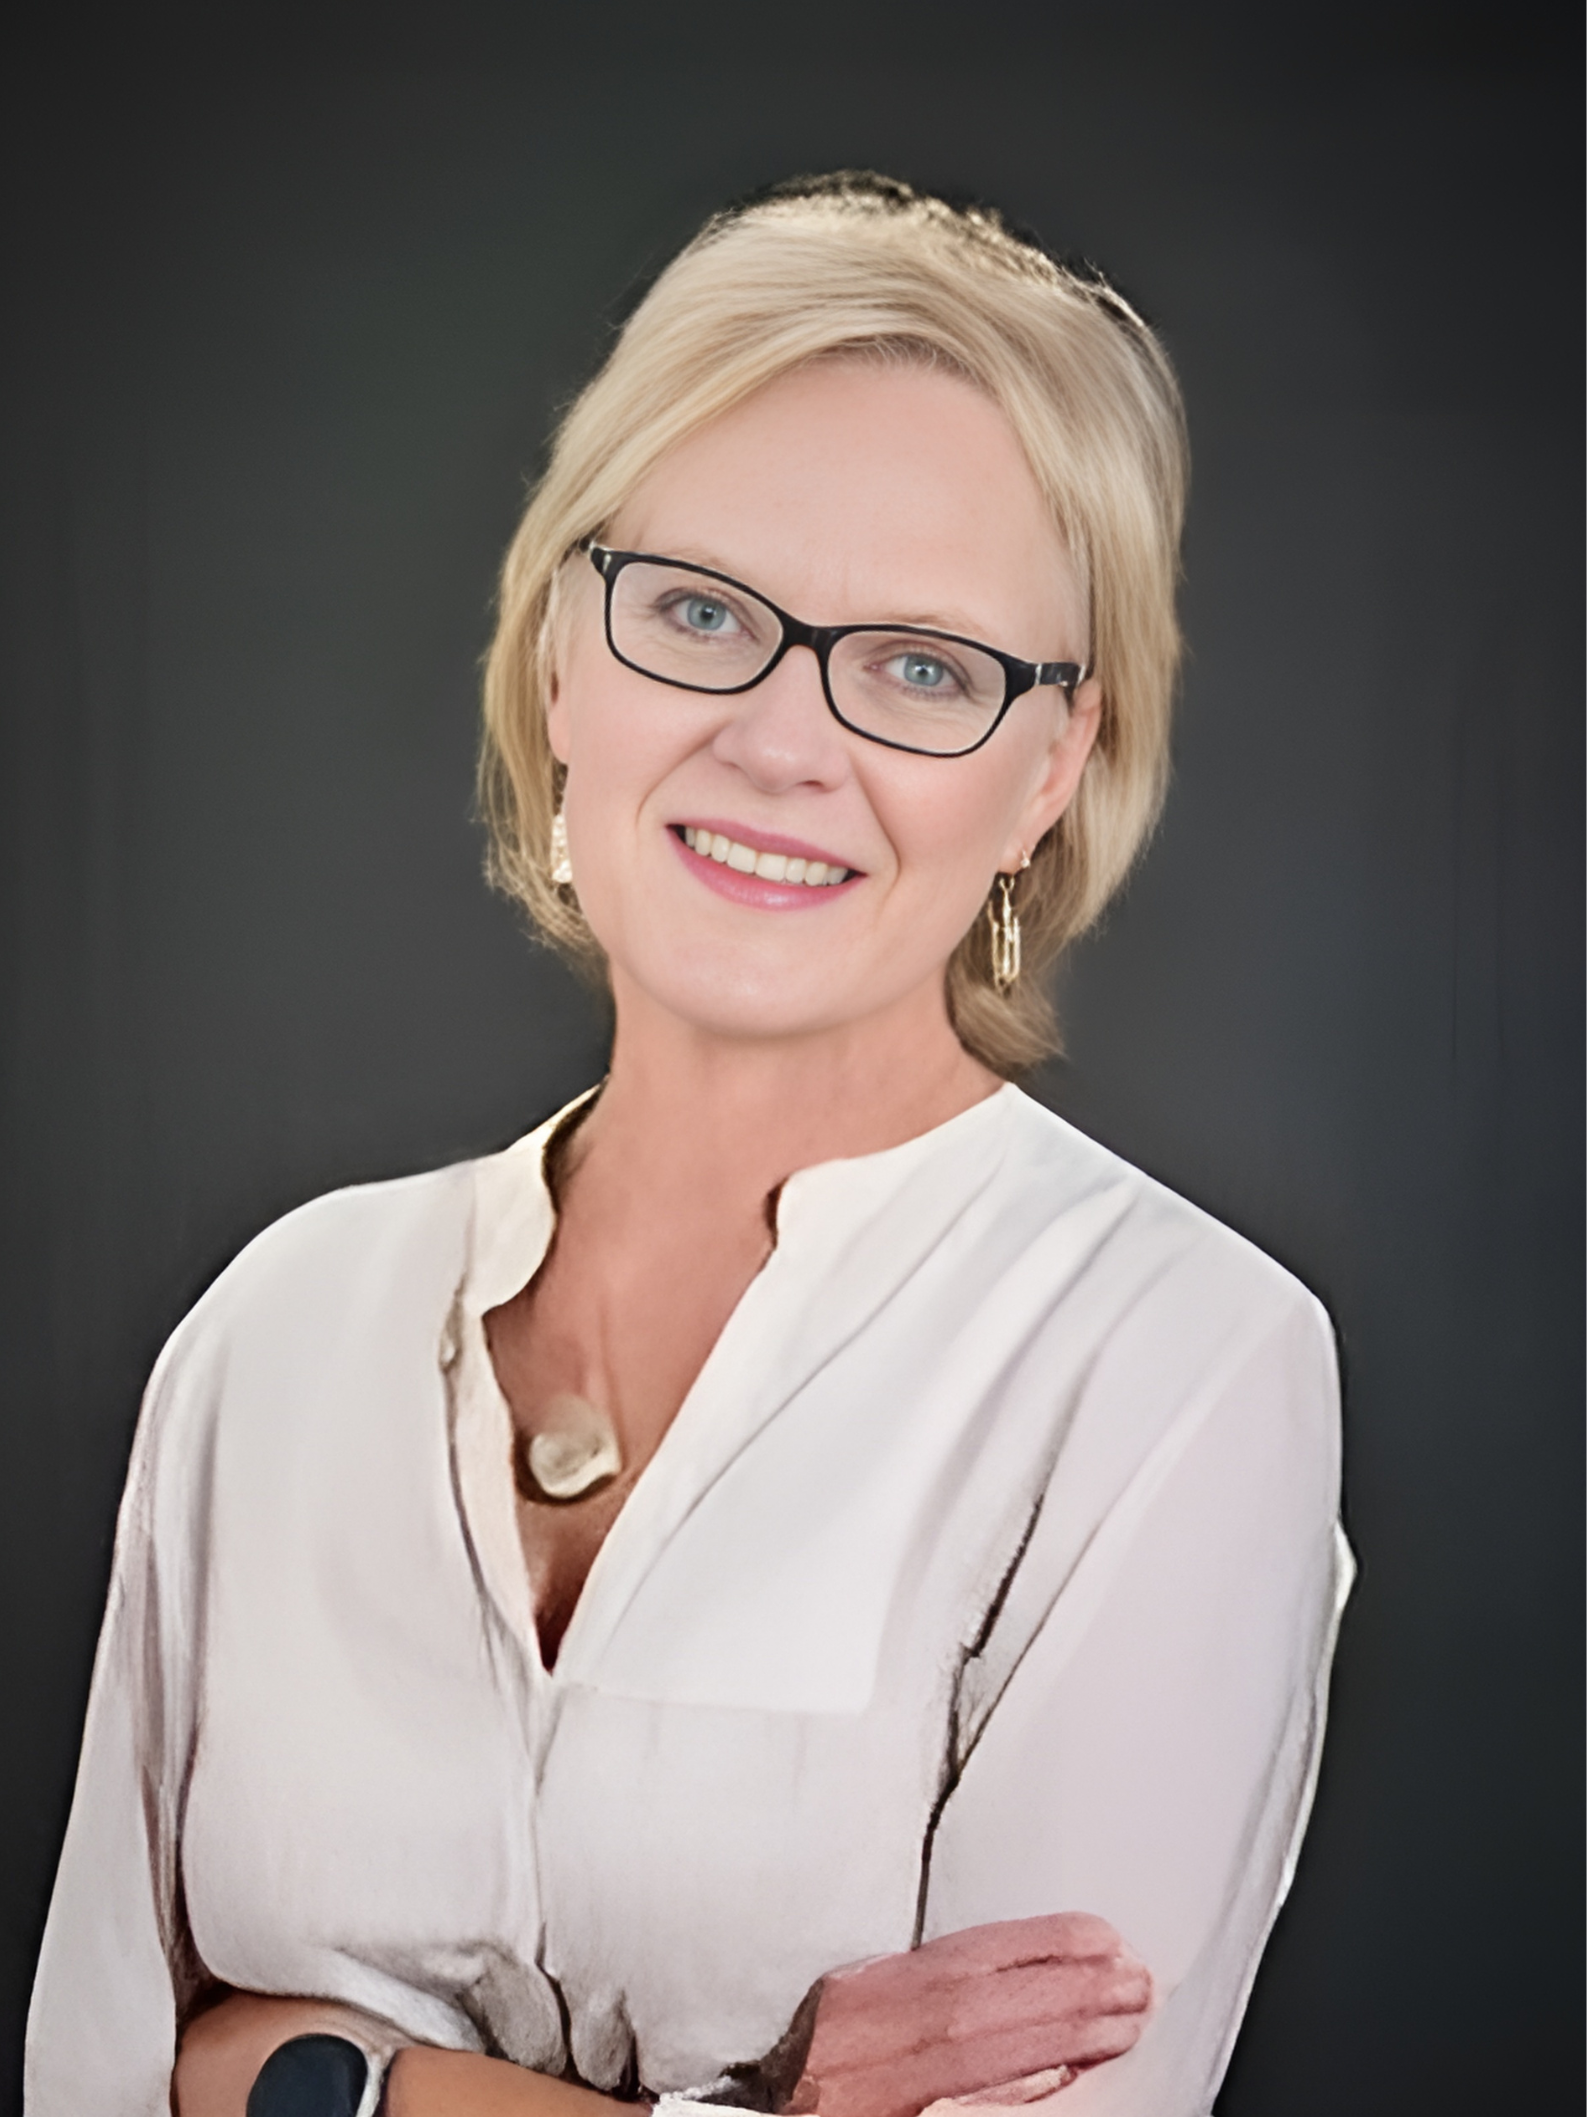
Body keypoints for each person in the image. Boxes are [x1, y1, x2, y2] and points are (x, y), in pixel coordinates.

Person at [25, 173, 1351, 2117]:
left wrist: (320, 2078)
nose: (780, 738)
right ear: (566, 656)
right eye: (702, 612)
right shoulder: (279, 1321)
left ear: (1047, 772)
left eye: (921, 666)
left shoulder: (1174, 1358)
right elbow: (94, 2071)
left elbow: (208, 2064)